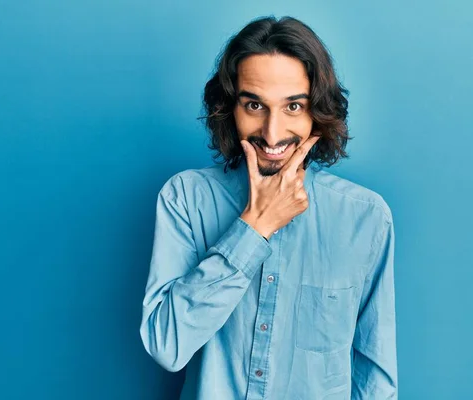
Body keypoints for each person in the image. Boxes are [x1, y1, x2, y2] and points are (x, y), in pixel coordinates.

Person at [140, 15, 397, 399]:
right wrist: (253, 228)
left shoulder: (365, 217)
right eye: (255, 105)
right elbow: (167, 345)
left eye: (293, 106)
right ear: (229, 109)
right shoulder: (185, 199)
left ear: (317, 110)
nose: (273, 132)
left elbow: (374, 378)